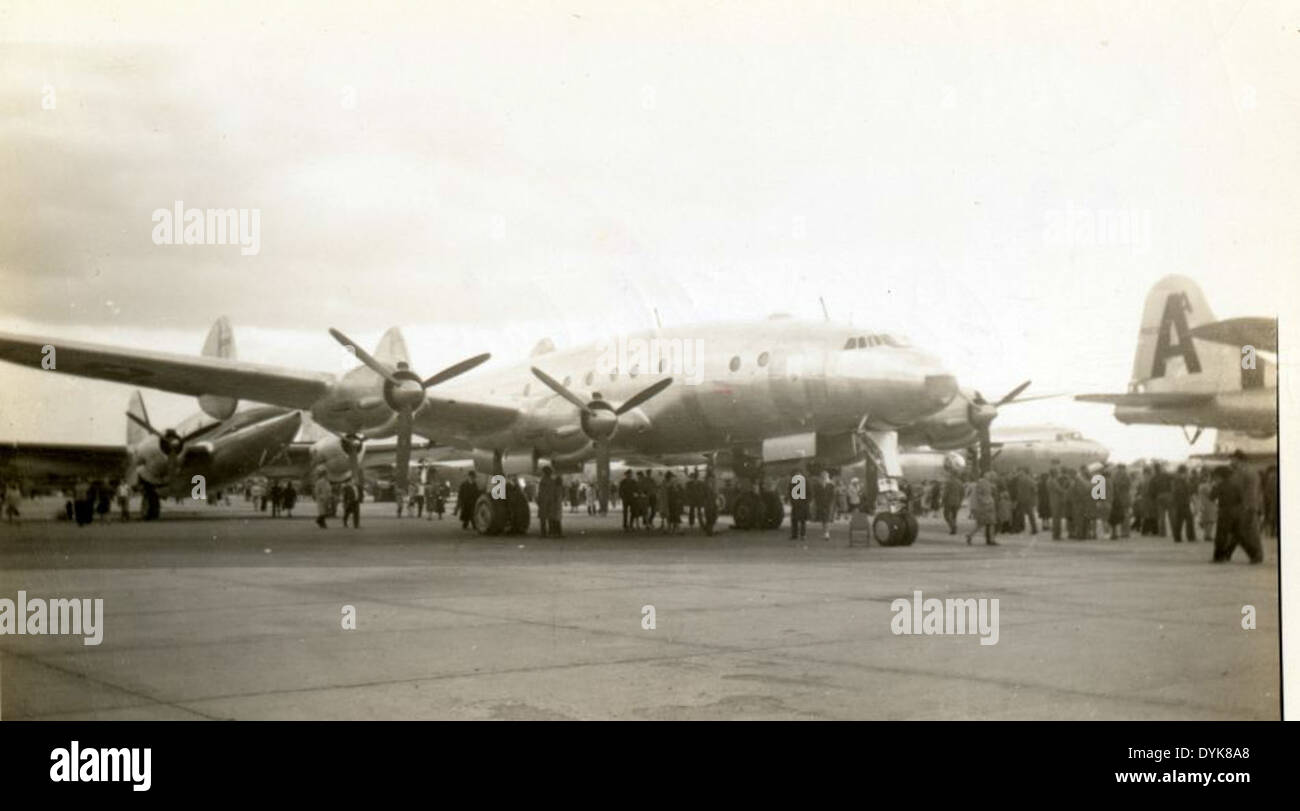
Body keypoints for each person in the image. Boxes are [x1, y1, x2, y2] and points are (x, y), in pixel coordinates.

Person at [967, 471, 997, 545]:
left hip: (986, 506)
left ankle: (970, 535)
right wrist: (985, 501)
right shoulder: (983, 483)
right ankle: (991, 540)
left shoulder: (985, 483)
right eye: (992, 476)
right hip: (986, 506)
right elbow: (979, 494)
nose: (993, 477)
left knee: (981, 524)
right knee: (990, 523)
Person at [1170, 465, 1197, 542]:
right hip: (1183, 503)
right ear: (1182, 472)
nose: (1187, 473)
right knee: (1188, 520)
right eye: (1186, 472)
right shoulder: (1180, 481)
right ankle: (1190, 537)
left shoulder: (1177, 480)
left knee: (1179, 521)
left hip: (1180, 503)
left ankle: (1177, 538)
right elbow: (1182, 491)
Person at [537, 466, 562, 538]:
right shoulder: (552, 482)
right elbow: (554, 493)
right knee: (550, 518)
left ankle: (543, 533)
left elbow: (540, 492)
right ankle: (551, 532)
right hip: (550, 502)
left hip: (544, 502)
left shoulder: (542, 481)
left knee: (543, 519)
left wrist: (539, 500)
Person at [1109, 463, 1131, 539]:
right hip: (1119, 499)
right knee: (1121, 515)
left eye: (1120, 468)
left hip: (1123, 498)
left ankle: (1125, 532)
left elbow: (1126, 486)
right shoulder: (1116, 476)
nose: (1119, 470)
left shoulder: (1125, 476)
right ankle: (1123, 532)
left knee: (1125, 515)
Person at [1014, 467, 1038, 534]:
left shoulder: (1020, 479)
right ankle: (1034, 529)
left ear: (1024, 472)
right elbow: (1035, 490)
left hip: (1021, 499)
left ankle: (1016, 528)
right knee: (1031, 515)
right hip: (1028, 499)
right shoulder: (1030, 480)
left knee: (1019, 514)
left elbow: (1018, 490)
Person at [812, 470, 835, 541]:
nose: (824, 477)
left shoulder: (831, 485)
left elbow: (833, 496)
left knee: (826, 519)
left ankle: (827, 533)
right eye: (823, 476)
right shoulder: (817, 485)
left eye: (825, 476)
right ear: (821, 477)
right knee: (824, 519)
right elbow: (815, 495)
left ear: (827, 477)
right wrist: (816, 503)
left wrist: (831, 503)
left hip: (828, 504)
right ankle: (825, 532)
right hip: (820, 504)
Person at [789, 470, 809, 541]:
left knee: (803, 521)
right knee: (794, 520)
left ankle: (803, 535)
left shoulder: (806, 483)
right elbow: (790, 493)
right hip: (795, 504)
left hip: (803, 505)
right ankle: (794, 535)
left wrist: (806, 502)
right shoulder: (792, 483)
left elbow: (810, 493)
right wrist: (792, 501)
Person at [701, 471, 719, 536]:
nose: (712, 479)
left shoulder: (713, 485)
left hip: (713, 503)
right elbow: (704, 495)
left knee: (714, 516)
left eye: (713, 478)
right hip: (708, 503)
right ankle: (709, 532)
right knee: (709, 517)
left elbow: (716, 494)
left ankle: (708, 529)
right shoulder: (705, 486)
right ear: (708, 478)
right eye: (711, 478)